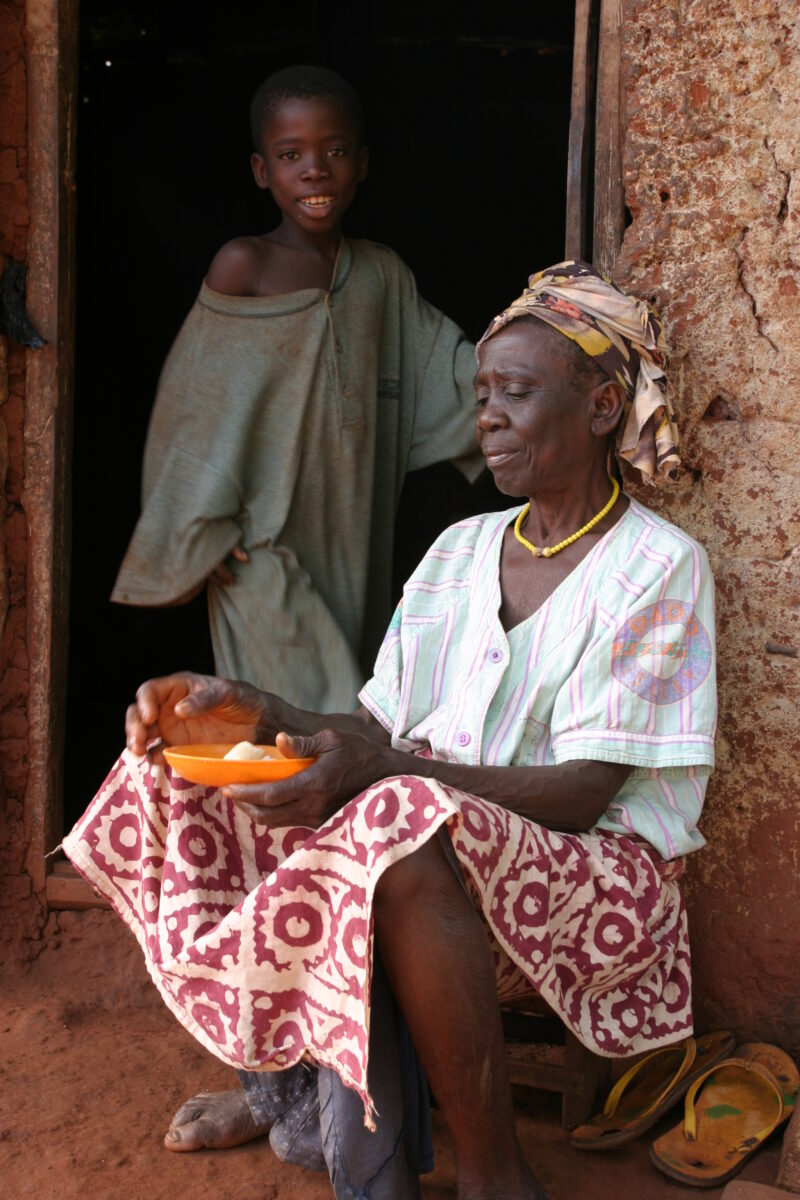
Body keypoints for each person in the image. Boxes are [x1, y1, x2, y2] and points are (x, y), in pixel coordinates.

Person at [66, 263, 716, 1200]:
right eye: (482, 394)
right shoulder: (460, 551)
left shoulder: (659, 567)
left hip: (593, 878)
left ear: (605, 405)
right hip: (428, 841)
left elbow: (583, 795)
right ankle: (283, 1077)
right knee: (188, 774)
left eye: (518, 393)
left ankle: (495, 1175)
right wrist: (247, 707)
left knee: (393, 817)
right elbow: (370, 730)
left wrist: (392, 776)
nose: (487, 416)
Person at [111, 65, 482, 713]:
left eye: (334, 151)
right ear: (262, 171)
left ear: (361, 164)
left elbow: (458, 374)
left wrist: (550, 368)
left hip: (351, 538)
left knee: (341, 721)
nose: (314, 170)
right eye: (290, 155)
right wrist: (199, 525)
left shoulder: (382, 277)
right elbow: (192, 410)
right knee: (302, 718)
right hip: (258, 552)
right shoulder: (243, 266)